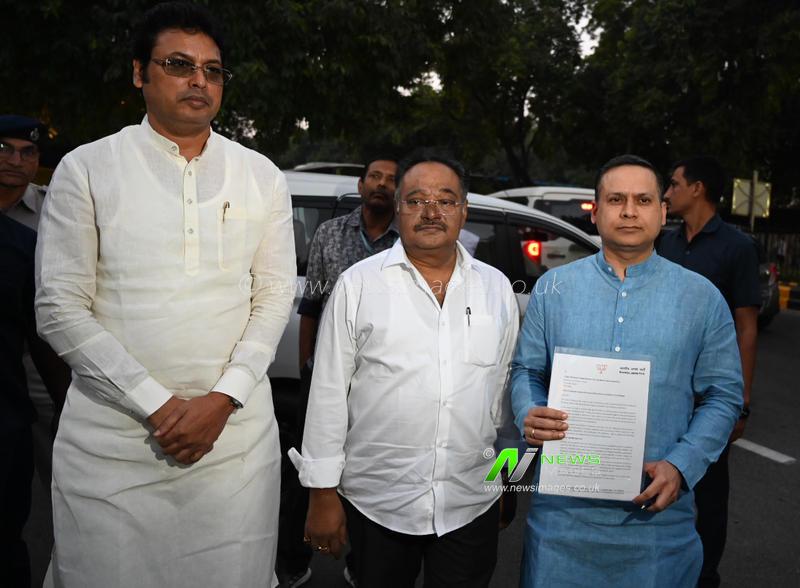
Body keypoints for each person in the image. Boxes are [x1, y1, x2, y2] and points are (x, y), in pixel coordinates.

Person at [35, 3, 295, 587]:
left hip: (234, 450)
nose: (199, 80)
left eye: (213, 69)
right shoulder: (87, 169)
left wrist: (221, 401)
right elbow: (58, 307)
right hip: (115, 444)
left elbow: (274, 295)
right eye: (179, 64)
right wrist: (158, 404)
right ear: (139, 74)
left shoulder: (261, 175)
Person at [289, 150, 519, 587]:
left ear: (464, 210)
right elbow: (328, 394)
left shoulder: (496, 288)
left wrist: (509, 480)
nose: (431, 212)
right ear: (399, 209)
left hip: (471, 501)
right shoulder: (358, 284)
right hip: (379, 502)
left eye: (446, 200)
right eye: (416, 200)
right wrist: (321, 494)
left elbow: (503, 399)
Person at [511, 155, 742, 587]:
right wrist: (529, 409)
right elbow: (526, 369)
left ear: (662, 211)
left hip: (659, 528)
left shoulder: (701, 298)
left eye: (643, 199)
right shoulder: (554, 289)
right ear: (595, 211)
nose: (630, 211)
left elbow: (724, 395)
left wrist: (683, 464)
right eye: (616, 199)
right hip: (561, 525)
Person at [278, 156, 398, 587]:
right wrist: (308, 365)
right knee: (305, 469)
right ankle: (290, 561)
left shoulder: (407, 243)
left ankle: (361, 563)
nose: (383, 185)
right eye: (376, 177)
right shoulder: (330, 233)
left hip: (380, 380)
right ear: (362, 184)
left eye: (392, 180)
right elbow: (311, 305)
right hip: (327, 374)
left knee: (369, 468)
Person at [658, 156, 760, 588]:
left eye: (674, 184)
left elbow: (747, 327)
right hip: (665, 388)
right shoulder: (665, 242)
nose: (667, 193)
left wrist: (741, 403)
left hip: (711, 393)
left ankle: (705, 576)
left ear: (697, 189)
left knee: (711, 494)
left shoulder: (737, 247)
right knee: (661, 475)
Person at [0, 213, 68, 588]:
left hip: (7, 423)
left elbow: (41, 334)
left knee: (8, 542)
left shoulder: (21, 245)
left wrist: (65, 403)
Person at [0, 114, 63, 496]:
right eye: (4, 148)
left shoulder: (53, 209)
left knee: (52, 472)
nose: (15, 160)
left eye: (27, 152)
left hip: (40, 361)